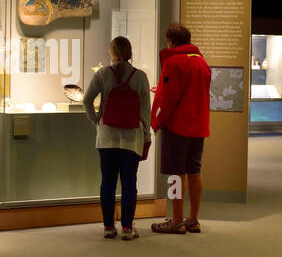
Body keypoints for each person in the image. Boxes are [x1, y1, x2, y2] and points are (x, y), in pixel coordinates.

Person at [83, 36, 151, 240]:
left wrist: (97, 121)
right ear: (130, 52)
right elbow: (145, 111)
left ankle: (108, 227)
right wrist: (146, 134)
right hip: (132, 137)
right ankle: (128, 228)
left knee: (108, 181)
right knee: (129, 182)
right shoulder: (140, 77)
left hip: (107, 137)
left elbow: (86, 100)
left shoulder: (103, 74)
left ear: (112, 53)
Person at [150, 22, 210, 234]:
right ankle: (193, 219)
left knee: (175, 174)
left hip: (178, 126)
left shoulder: (174, 62)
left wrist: (157, 121)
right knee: (194, 170)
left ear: (171, 41)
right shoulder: (201, 61)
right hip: (199, 125)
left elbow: (171, 99)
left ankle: (176, 220)